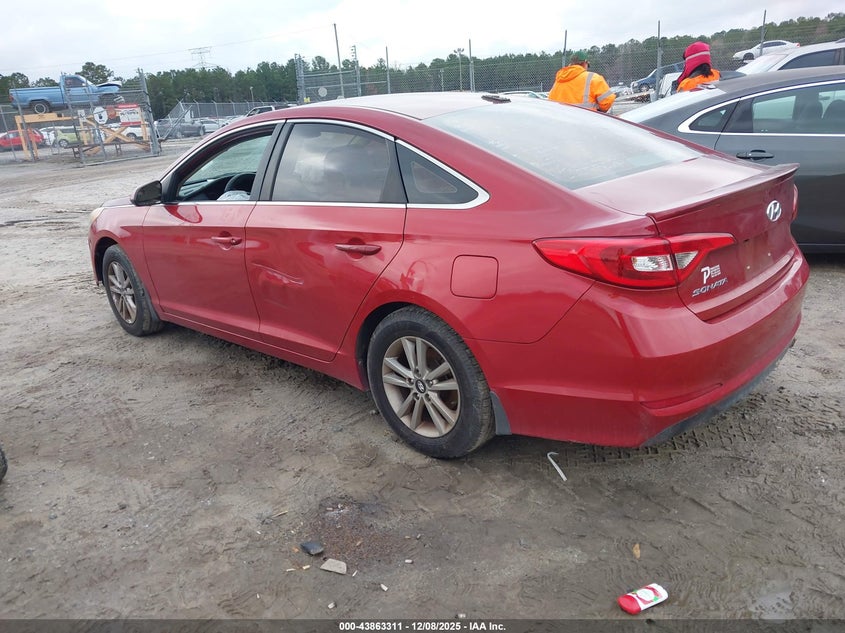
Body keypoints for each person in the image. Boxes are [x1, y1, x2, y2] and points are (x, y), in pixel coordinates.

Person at [548, 50, 616, 113]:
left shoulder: (558, 81)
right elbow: (608, 101)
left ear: (571, 64)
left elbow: (550, 103)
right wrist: (599, 110)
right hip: (587, 122)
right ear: (585, 63)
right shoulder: (593, 78)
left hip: (562, 123)